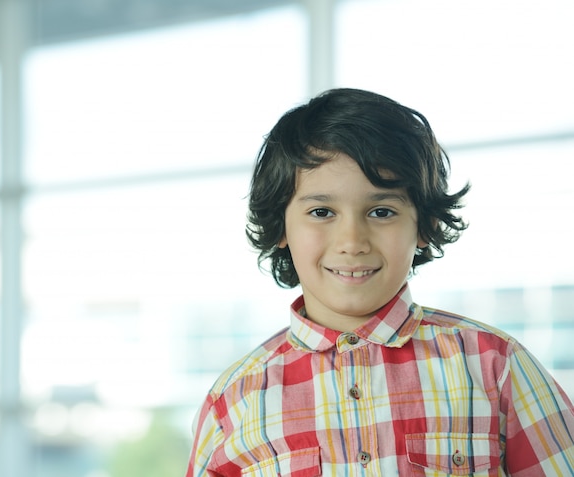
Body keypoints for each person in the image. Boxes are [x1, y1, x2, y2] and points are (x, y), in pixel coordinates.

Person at [185, 88, 574, 476]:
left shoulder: (496, 366)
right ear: (281, 226)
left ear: (424, 225)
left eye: (381, 211)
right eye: (322, 211)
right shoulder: (234, 400)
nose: (352, 242)